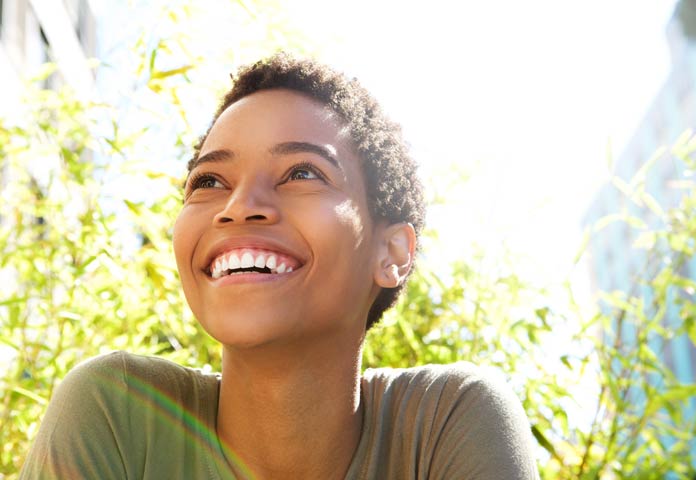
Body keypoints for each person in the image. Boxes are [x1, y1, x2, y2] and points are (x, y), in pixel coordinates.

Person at [19, 53, 539, 479]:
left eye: (302, 172)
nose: (238, 205)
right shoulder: (116, 411)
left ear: (392, 253)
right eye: (209, 181)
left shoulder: (447, 423)